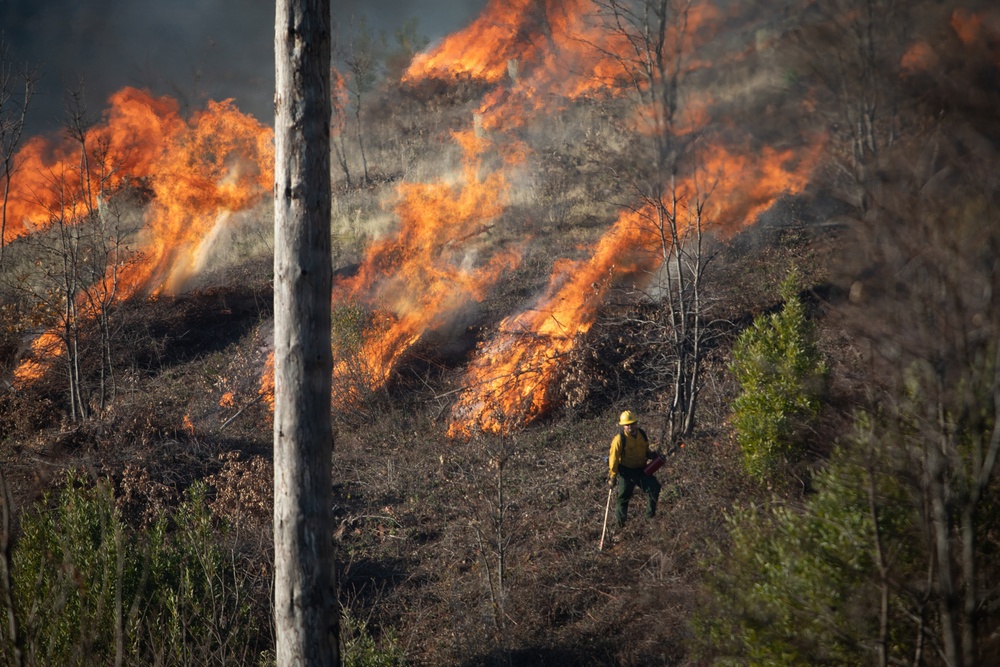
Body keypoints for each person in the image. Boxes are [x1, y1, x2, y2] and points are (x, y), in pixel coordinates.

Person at [608, 410, 661, 528]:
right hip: (626, 472)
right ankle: (621, 526)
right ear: (623, 426)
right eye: (627, 424)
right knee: (623, 498)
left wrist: (652, 455)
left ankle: (649, 518)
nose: (630, 426)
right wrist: (613, 476)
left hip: (641, 470)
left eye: (632, 423)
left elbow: (646, 450)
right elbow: (614, 459)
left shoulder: (642, 434)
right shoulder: (619, 440)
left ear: (636, 423)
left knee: (654, 487)